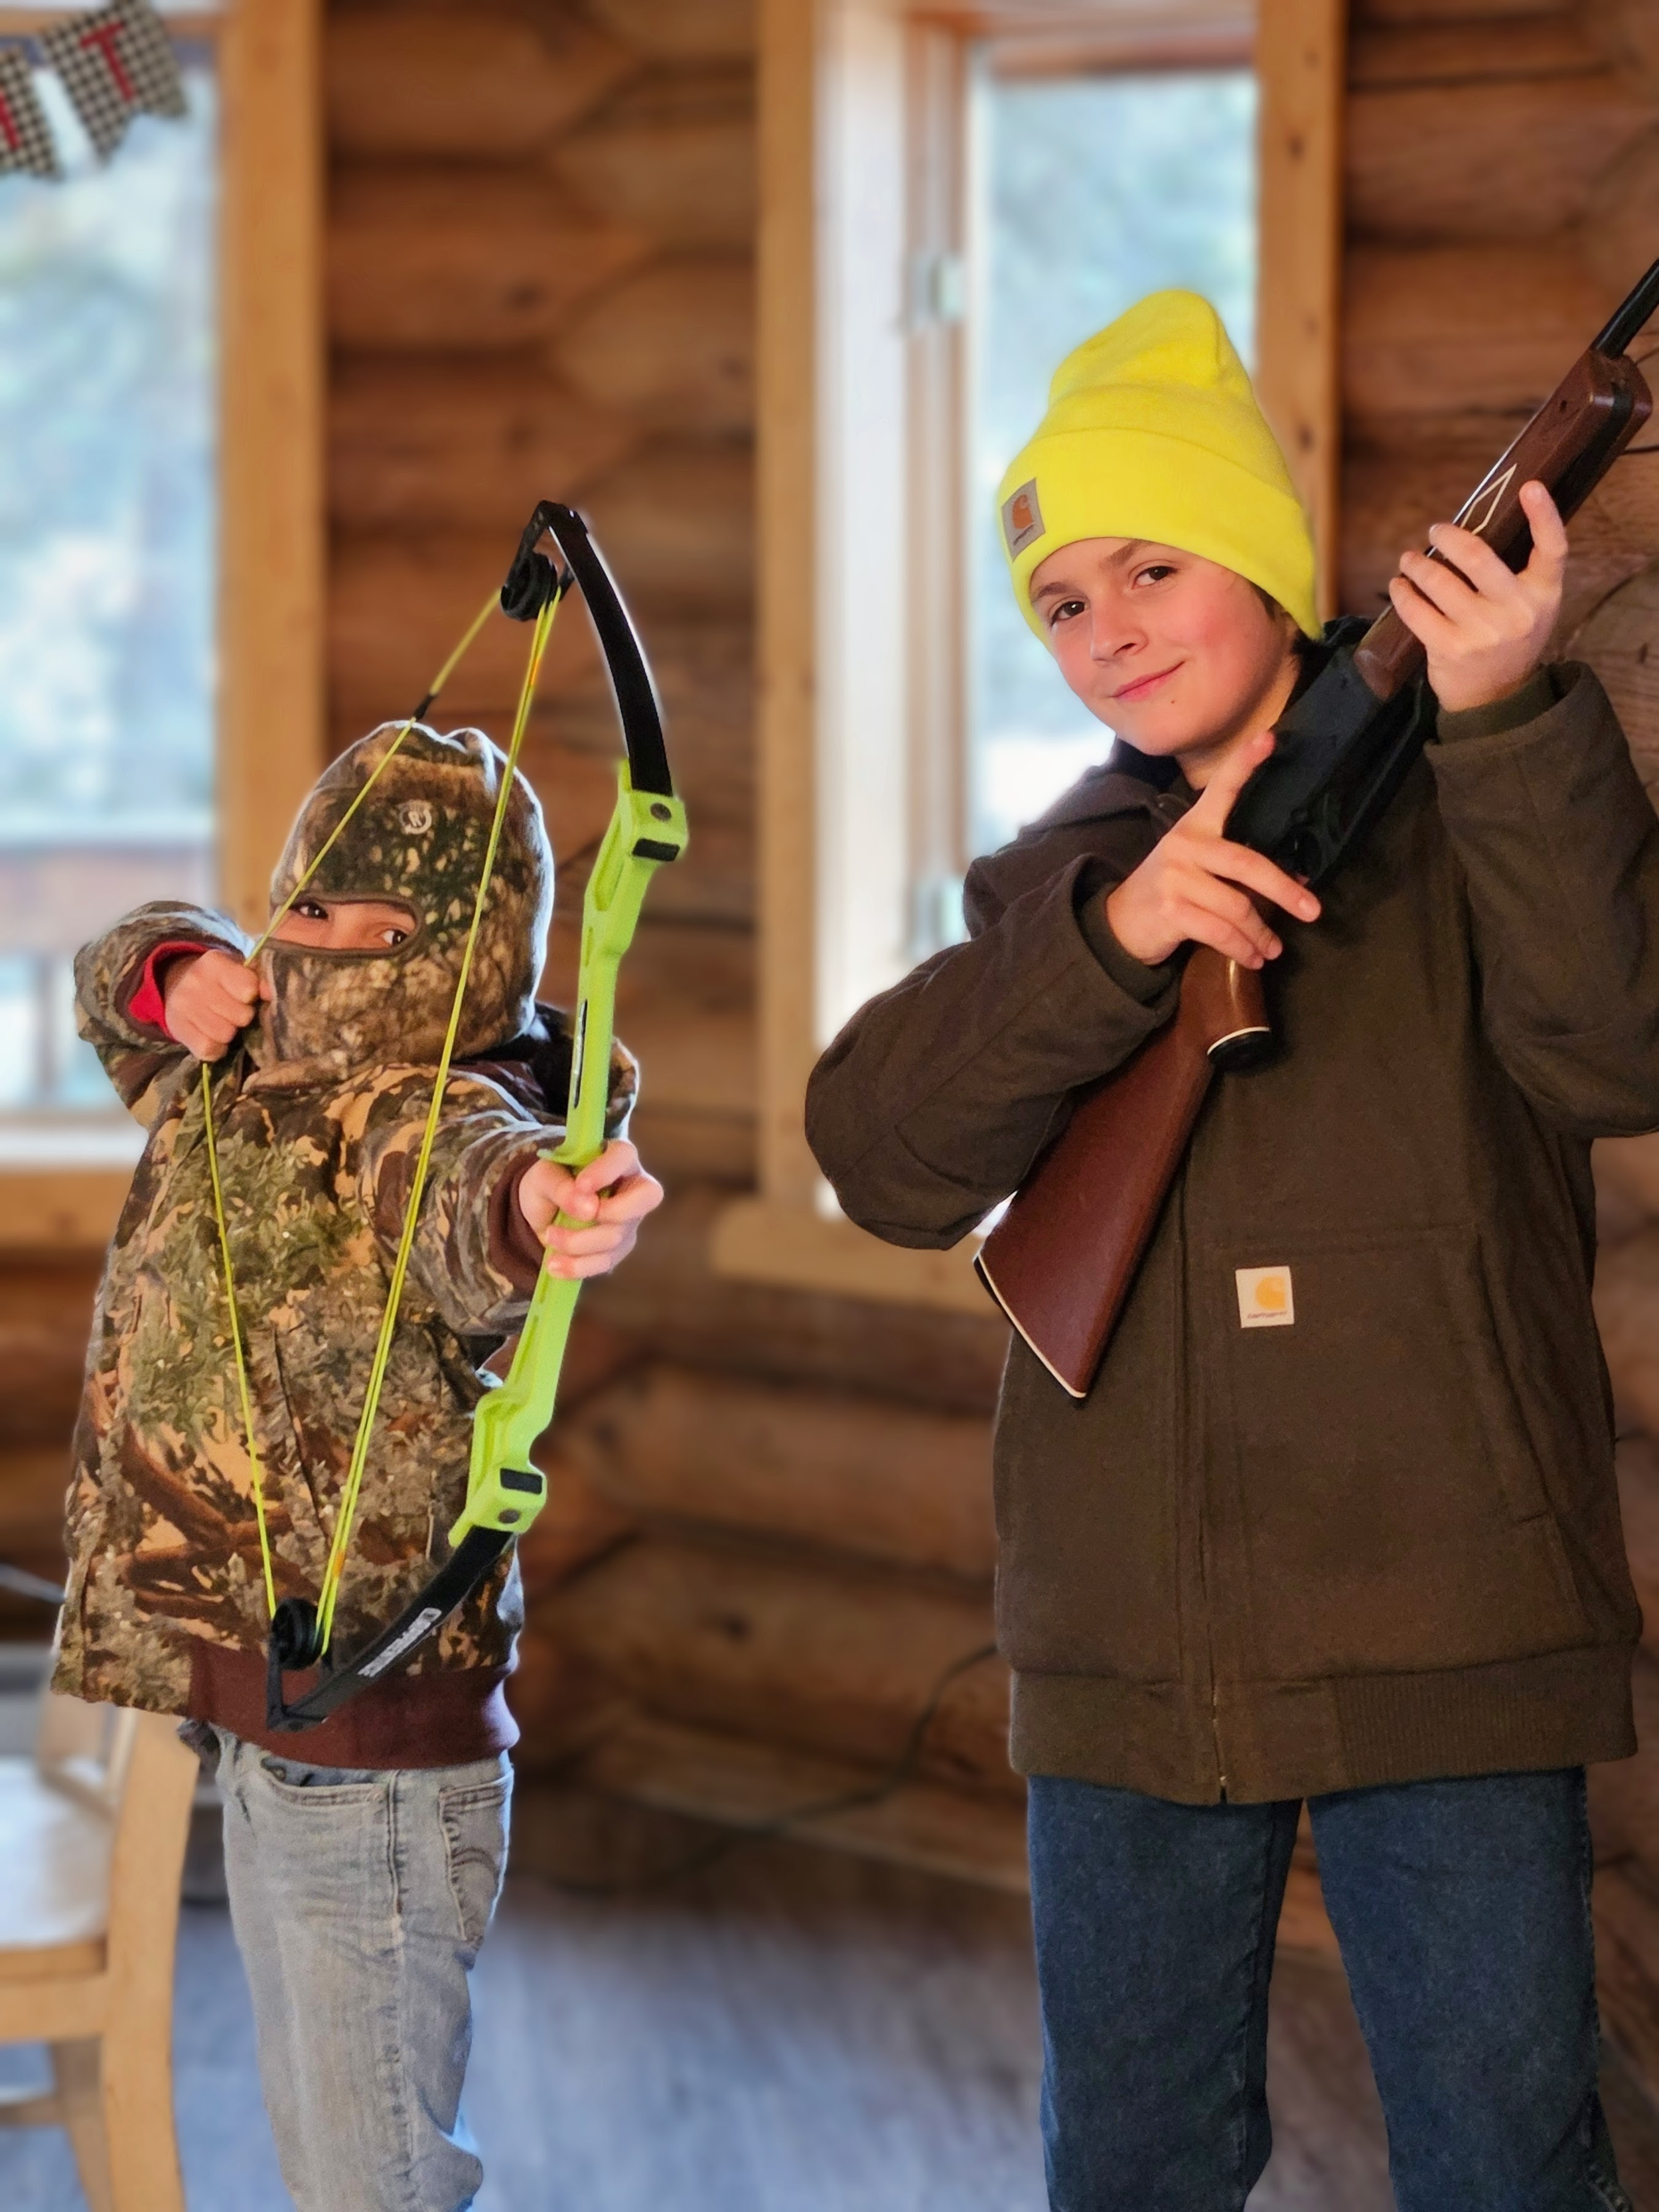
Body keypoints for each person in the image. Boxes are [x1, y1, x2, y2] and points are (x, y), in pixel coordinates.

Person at [806, 291, 1654, 2211]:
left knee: (1505, 2160)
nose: (1100, 624)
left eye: (1150, 564)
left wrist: (1510, 710)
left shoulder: (1478, 791)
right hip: (1130, 1638)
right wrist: (1113, 943)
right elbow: (877, 1153)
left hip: (1446, 1613)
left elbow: (1617, 1050)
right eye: (1058, 599)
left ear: (1268, 573)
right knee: (1132, 2164)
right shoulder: (1055, 877)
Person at [54, 721, 663, 2212]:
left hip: (374, 1739)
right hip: (257, 1699)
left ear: (464, 950)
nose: (309, 942)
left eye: (363, 924)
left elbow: (475, 1198)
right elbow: (112, 984)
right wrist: (176, 962)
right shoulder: (235, 1070)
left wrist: (544, 1204)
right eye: (296, 903)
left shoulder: (430, 1110)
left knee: (368, 2177)